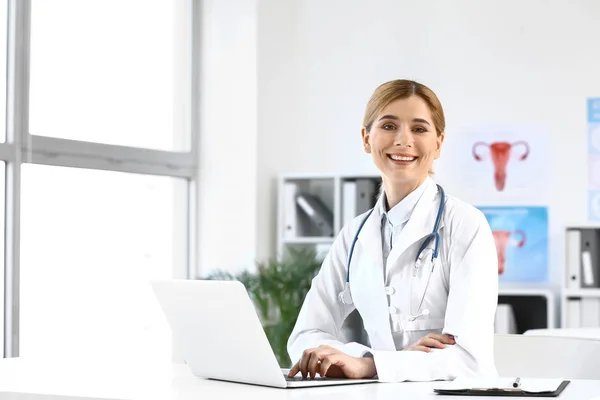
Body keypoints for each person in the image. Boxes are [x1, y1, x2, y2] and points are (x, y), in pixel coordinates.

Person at [286, 79, 499, 382]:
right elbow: (306, 333)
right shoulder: (354, 235)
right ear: (366, 138)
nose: (403, 140)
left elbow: (468, 358)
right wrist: (358, 359)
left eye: (420, 129)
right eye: (388, 126)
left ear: (438, 143)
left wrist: (371, 365)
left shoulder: (465, 224)